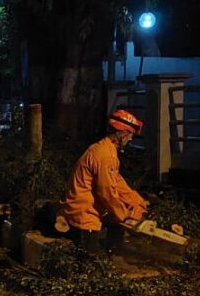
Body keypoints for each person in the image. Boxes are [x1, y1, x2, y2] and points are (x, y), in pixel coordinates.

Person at [60, 109, 148, 254]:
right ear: (122, 134)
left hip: (89, 203)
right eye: (130, 134)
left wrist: (137, 202)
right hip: (83, 209)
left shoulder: (106, 149)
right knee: (90, 258)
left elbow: (117, 183)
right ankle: (100, 256)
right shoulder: (106, 156)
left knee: (115, 220)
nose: (131, 139)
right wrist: (124, 215)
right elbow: (106, 192)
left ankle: (114, 251)